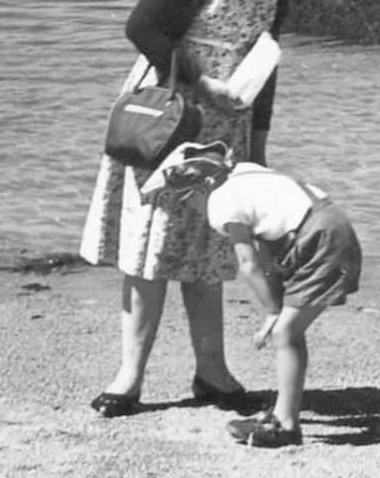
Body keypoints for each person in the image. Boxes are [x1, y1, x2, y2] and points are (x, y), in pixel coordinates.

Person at [79, 0, 336, 419]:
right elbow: (143, 27)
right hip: (169, 109)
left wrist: (258, 147)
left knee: (212, 244)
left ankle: (212, 372)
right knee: (149, 245)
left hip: (228, 122)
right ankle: (129, 379)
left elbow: (266, 60)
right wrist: (204, 84)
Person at [141, 141, 362, 449]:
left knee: (285, 332)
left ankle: (286, 426)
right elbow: (267, 253)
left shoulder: (221, 204)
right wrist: (277, 304)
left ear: (200, 190)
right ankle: (283, 414)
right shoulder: (245, 173)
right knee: (289, 331)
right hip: (331, 224)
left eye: (185, 202)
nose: (189, 211)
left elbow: (249, 264)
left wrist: (272, 312)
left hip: (319, 239)